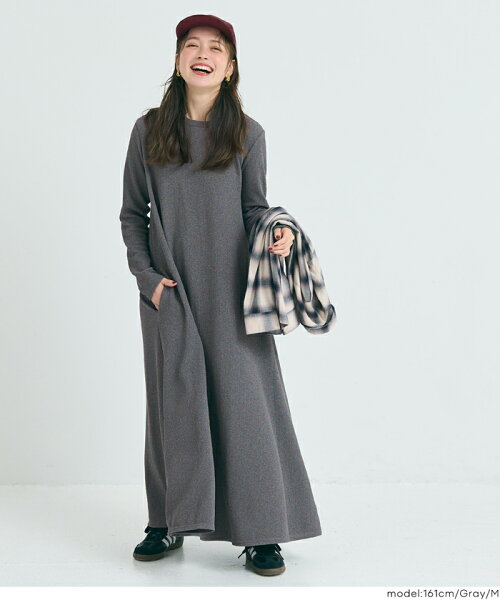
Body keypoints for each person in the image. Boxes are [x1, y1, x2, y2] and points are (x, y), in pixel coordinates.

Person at [119, 14, 322, 577]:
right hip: (172, 293)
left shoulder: (247, 134)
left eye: (215, 48)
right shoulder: (148, 131)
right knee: (172, 408)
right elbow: (133, 214)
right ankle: (166, 521)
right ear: (178, 60)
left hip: (235, 294)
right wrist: (148, 280)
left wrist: (278, 229)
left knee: (249, 409)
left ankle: (261, 531)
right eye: (192, 45)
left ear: (230, 68)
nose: (202, 54)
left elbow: (253, 207)